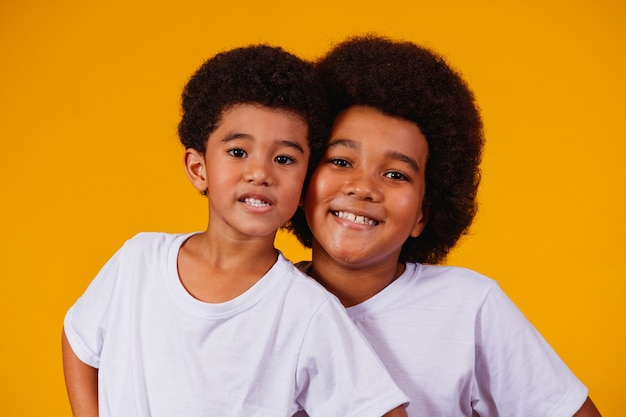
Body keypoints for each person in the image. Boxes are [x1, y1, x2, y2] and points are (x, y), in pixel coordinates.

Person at [61, 44, 410, 417]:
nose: (260, 173)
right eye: (238, 152)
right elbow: (78, 339)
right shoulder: (138, 261)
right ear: (199, 169)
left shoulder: (307, 311)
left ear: (305, 183)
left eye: (284, 159)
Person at [289, 35, 601, 416]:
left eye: (396, 173)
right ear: (301, 184)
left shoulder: (467, 306)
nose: (364, 187)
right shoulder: (267, 300)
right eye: (340, 161)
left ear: (423, 213)